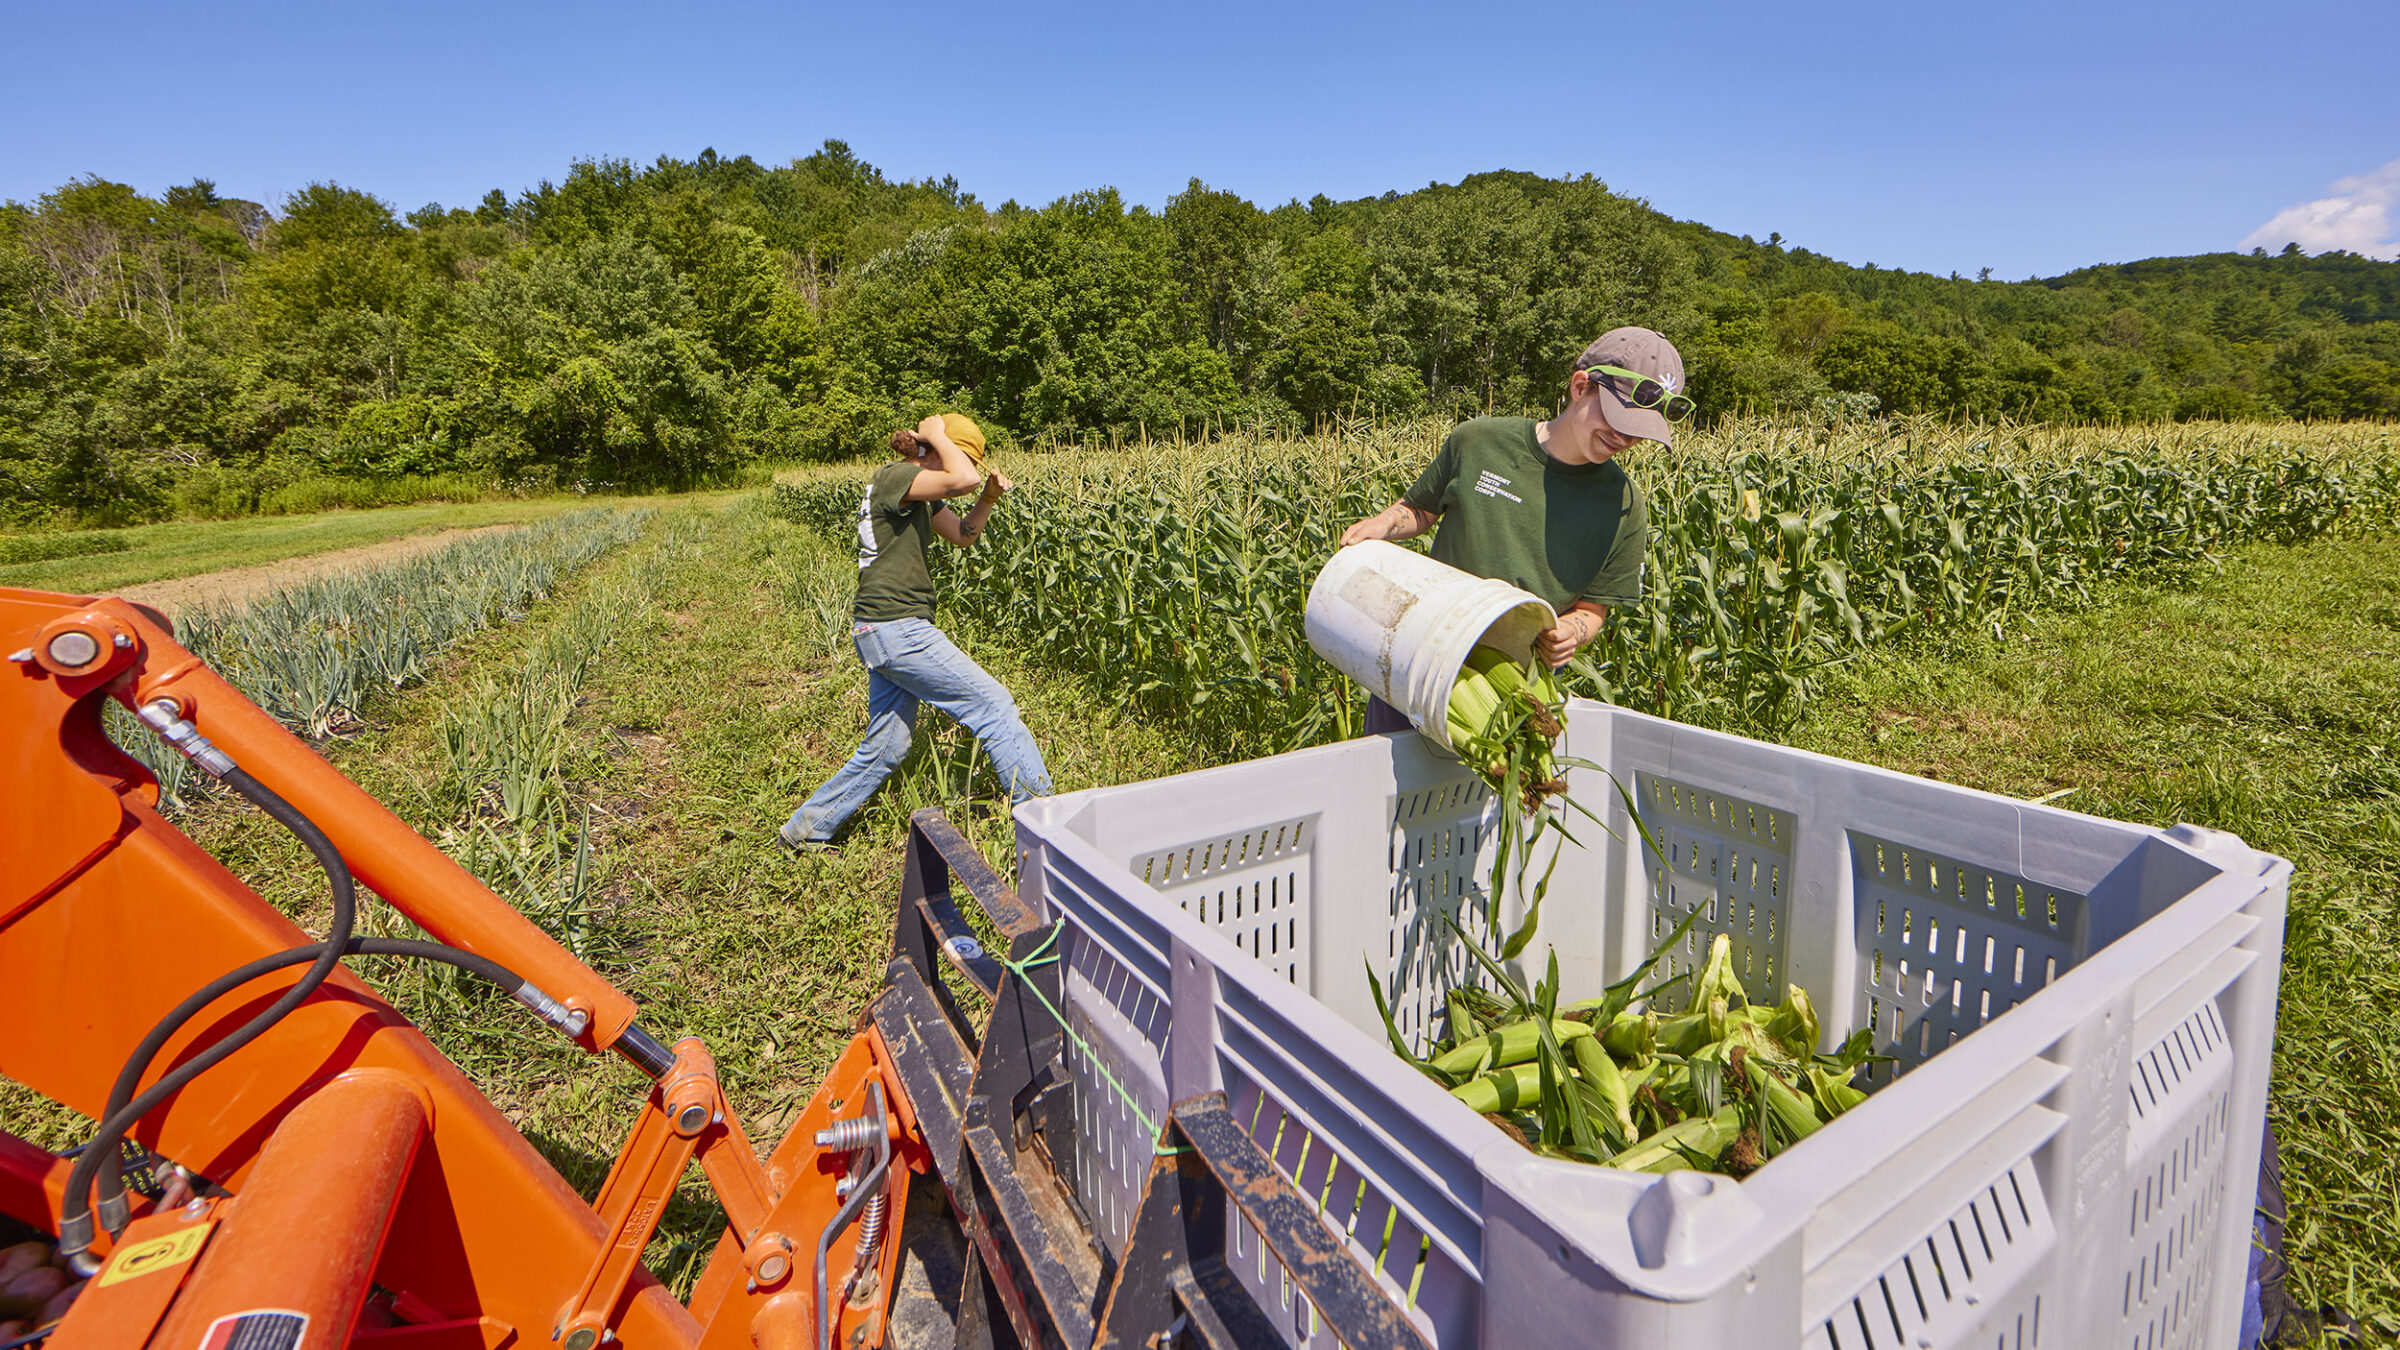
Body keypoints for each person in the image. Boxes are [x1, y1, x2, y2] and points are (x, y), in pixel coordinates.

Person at [1338, 327, 1689, 734]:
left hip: (1514, 690)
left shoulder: (1625, 505)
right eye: (1618, 418)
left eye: (1638, 430)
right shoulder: (1480, 441)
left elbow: (1593, 610)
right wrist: (1385, 522)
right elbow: (1419, 509)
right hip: (1418, 659)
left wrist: (1570, 633)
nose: (1624, 438)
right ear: (1581, 387)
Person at [780, 413, 1053, 849]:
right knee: (995, 707)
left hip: (883, 629)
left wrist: (986, 498)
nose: (961, 468)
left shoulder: (918, 494)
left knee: (887, 746)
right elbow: (959, 477)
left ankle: (806, 829)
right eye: (955, 456)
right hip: (898, 626)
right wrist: (940, 438)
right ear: (933, 448)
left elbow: (963, 535)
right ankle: (1048, 827)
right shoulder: (896, 476)